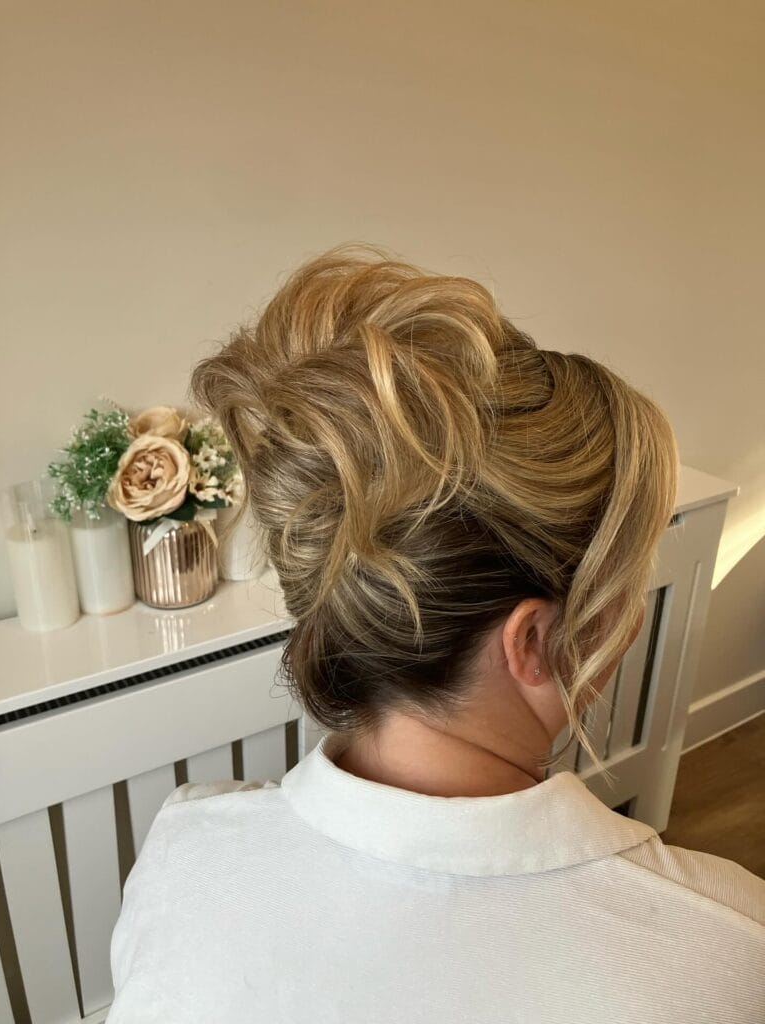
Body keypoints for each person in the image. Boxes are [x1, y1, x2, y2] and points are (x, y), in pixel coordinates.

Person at [107, 244, 765, 1023]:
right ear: (531, 643)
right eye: (628, 581)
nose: (633, 616)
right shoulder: (724, 950)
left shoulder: (187, 852)